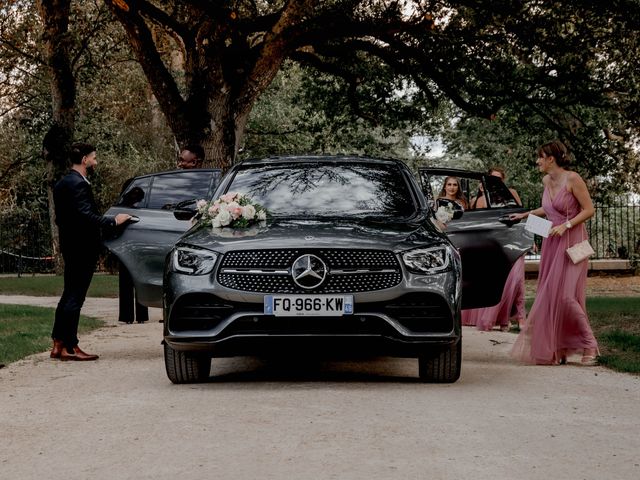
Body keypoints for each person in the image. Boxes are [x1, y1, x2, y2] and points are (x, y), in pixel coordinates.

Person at [509, 140, 598, 366]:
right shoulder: (546, 180)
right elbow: (549, 210)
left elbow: (589, 210)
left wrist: (566, 226)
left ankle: (590, 346)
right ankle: (560, 348)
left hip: (573, 242)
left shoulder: (573, 178)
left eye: (540, 157)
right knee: (550, 297)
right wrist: (525, 216)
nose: (537, 161)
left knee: (568, 297)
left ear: (551, 158)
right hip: (552, 240)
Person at [50, 143, 131, 360]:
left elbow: (62, 218)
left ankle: (58, 343)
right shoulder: (78, 184)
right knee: (76, 296)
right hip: (82, 247)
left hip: (70, 245)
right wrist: (114, 221)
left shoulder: (62, 183)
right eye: (94, 158)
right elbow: (86, 216)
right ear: (85, 159)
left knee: (68, 294)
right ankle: (70, 346)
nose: (96, 161)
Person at [462, 167, 525, 331]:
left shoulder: (512, 193)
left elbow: (523, 215)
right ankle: (503, 320)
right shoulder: (480, 200)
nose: (496, 182)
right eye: (492, 179)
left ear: (503, 181)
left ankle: (518, 317)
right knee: (497, 283)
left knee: (515, 280)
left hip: (513, 243)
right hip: (492, 247)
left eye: (499, 179)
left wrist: (534, 235)